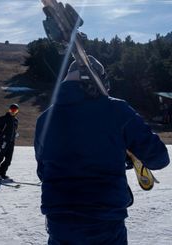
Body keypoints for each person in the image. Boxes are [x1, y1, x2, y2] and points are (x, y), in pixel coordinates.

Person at [34, 56, 170, 244]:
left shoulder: (44, 119)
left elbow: (43, 172)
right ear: (98, 80)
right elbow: (159, 158)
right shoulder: (117, 110)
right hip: (105, 223)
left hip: (60, 225)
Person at [0, 103, 19, 181]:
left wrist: (15, 134)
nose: (13, 112)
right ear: (9, 110)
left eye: (15, 110)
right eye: (11, 110)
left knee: (8, 159)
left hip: (11, 142)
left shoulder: (15, 120)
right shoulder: (3, 119)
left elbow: (13, 130)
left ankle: (2, 175)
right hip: (4, 141)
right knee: (0, 157)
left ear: (17, 111)